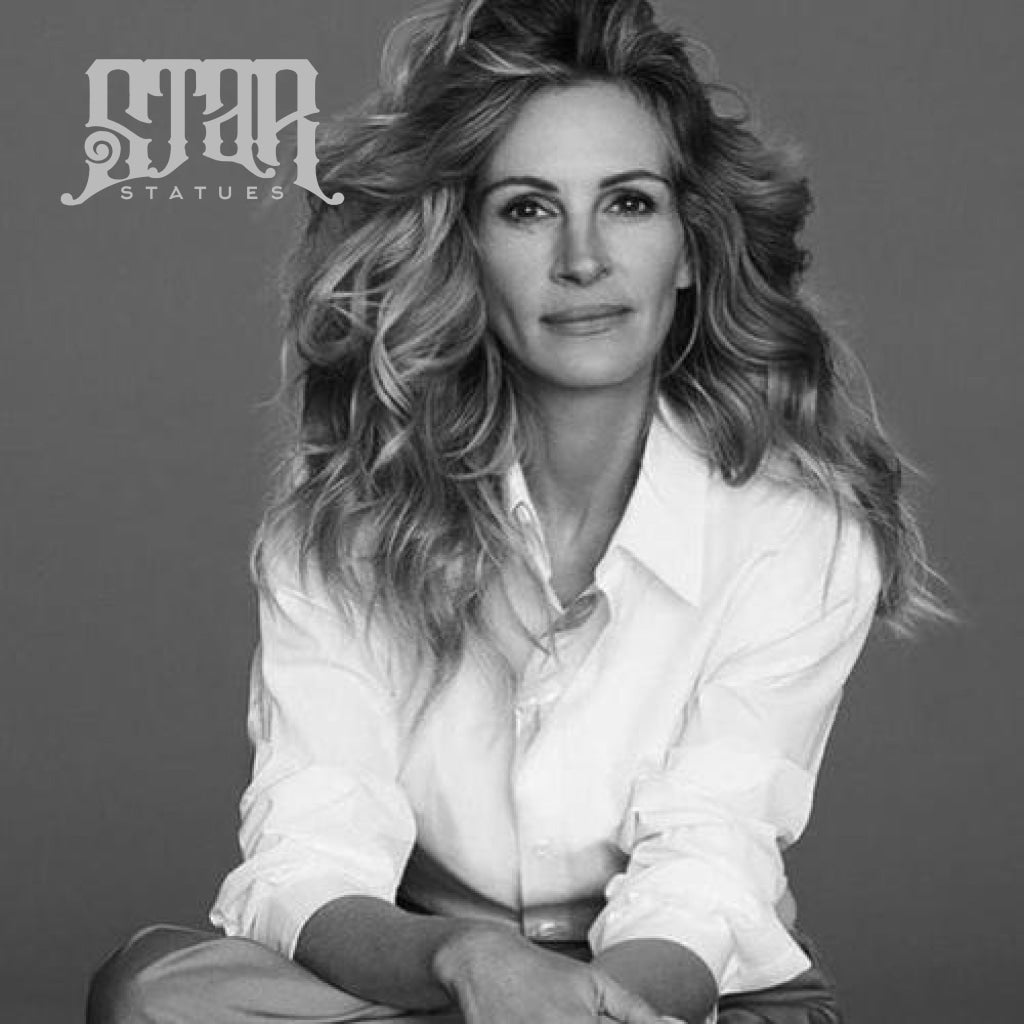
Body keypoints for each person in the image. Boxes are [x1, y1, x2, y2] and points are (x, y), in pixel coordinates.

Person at [87, 1, 944, 1021]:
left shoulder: (796, 527)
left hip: (670, 991)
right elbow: (311, 850)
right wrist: (466, 962)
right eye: (529, 209)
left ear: (688, 248)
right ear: (466, 248)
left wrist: (580, 1009)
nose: (583, 259)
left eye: (628, 203)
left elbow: (706, 869)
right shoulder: (346, 520)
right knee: (154, 992)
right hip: (418, 979)